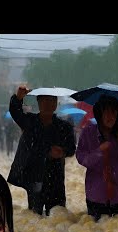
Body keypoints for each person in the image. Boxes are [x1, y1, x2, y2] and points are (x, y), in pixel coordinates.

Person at [7, 86, 77, 216]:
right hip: (34, 176)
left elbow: (72, 149)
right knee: (34, 215)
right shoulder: (30, 122)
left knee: (58, 215)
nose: (48, 104)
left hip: (56, 177)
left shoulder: (64, 127)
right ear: (38, 103)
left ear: (56, 103)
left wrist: (62, 152)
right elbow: (15, 112)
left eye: (52, 101)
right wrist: (17, 98)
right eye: (45, 100)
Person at [76, 95, 118, 221]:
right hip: (96, 195)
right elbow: (81, 158)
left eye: (114, 112)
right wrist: (99, 152)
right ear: (99, 113)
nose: (110, 116)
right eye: (106, 111)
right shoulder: (88, 132)